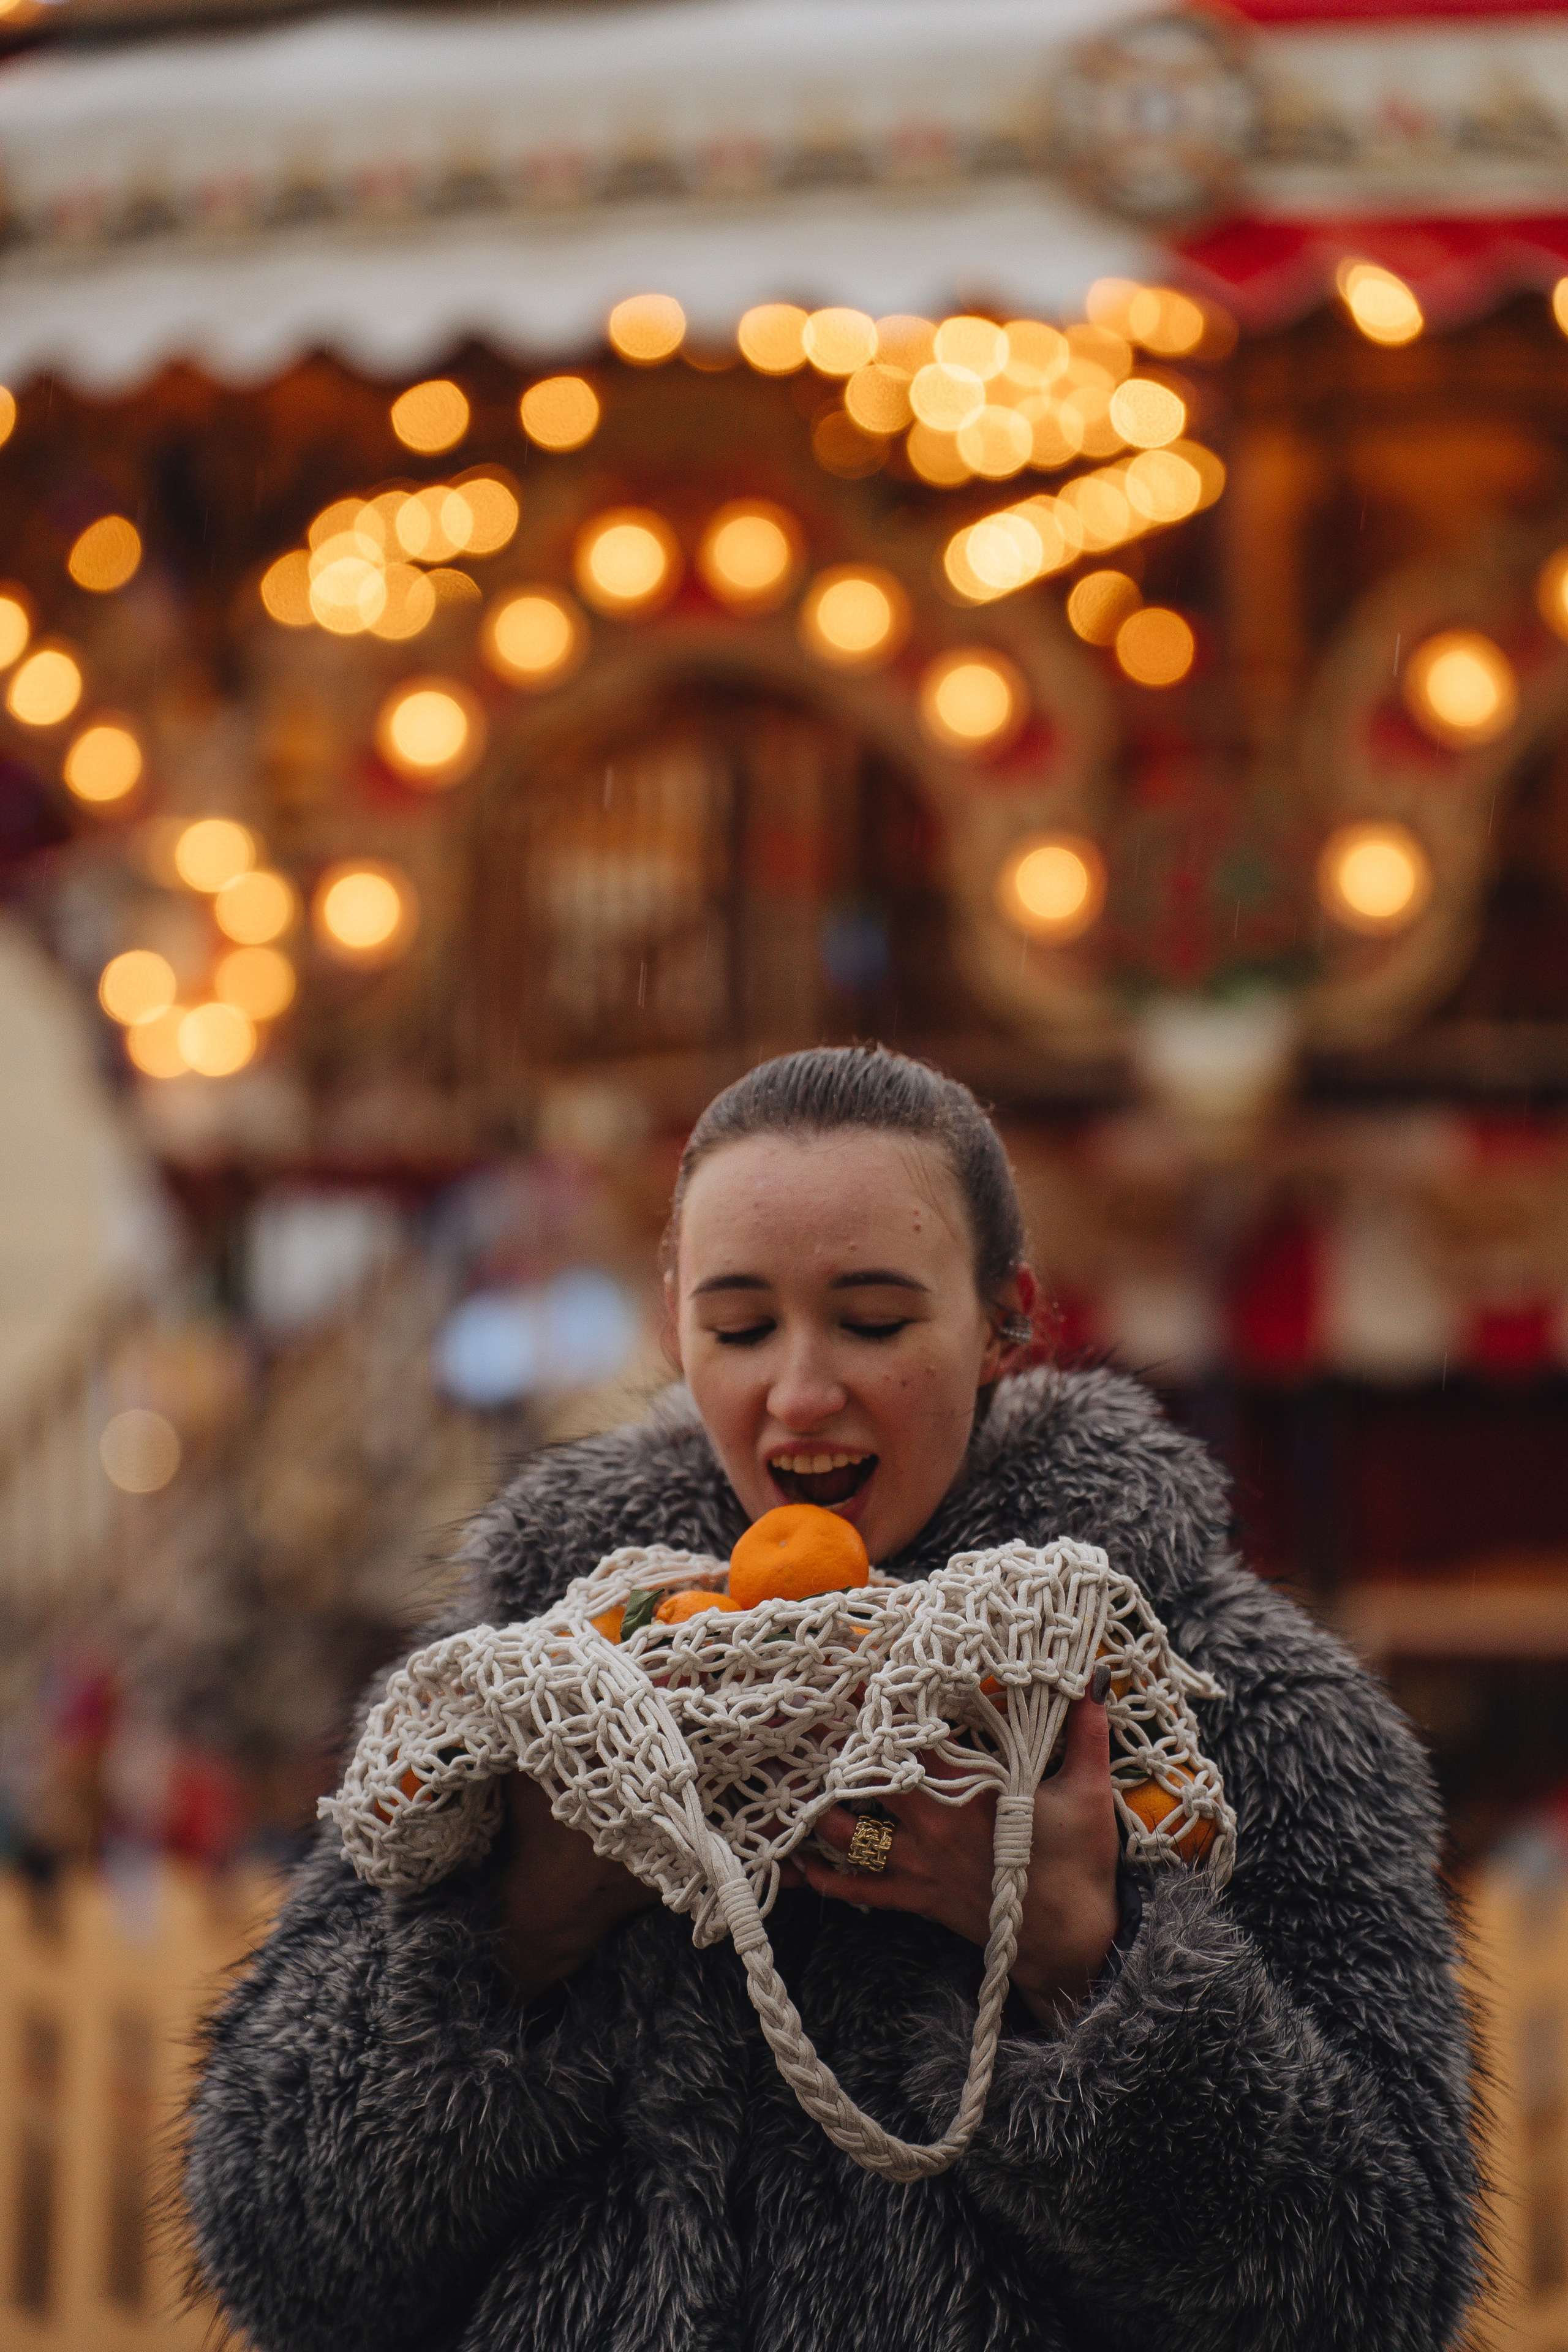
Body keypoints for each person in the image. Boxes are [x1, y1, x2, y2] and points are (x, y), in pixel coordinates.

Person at [186, 1045, 1479, 2352]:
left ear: (1003, 1324)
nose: (800, 1394)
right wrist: (520, 1934)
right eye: (739, 1328)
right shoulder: (523, 1696)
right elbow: (284, 2258)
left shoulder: (1238, 1704)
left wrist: (1080, 1970)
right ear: (671, 1318)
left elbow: (1376, 2296)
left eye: (872, 1321)